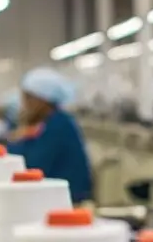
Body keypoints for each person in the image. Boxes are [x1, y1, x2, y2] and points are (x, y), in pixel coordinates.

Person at [7, 68, 93, 204]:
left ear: (43, 100)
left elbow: (32, 166)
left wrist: (17, 142)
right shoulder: (49, 122)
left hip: (68, 201)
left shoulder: (59, 124)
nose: (24, 103)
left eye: (28, 98)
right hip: (54, 196)